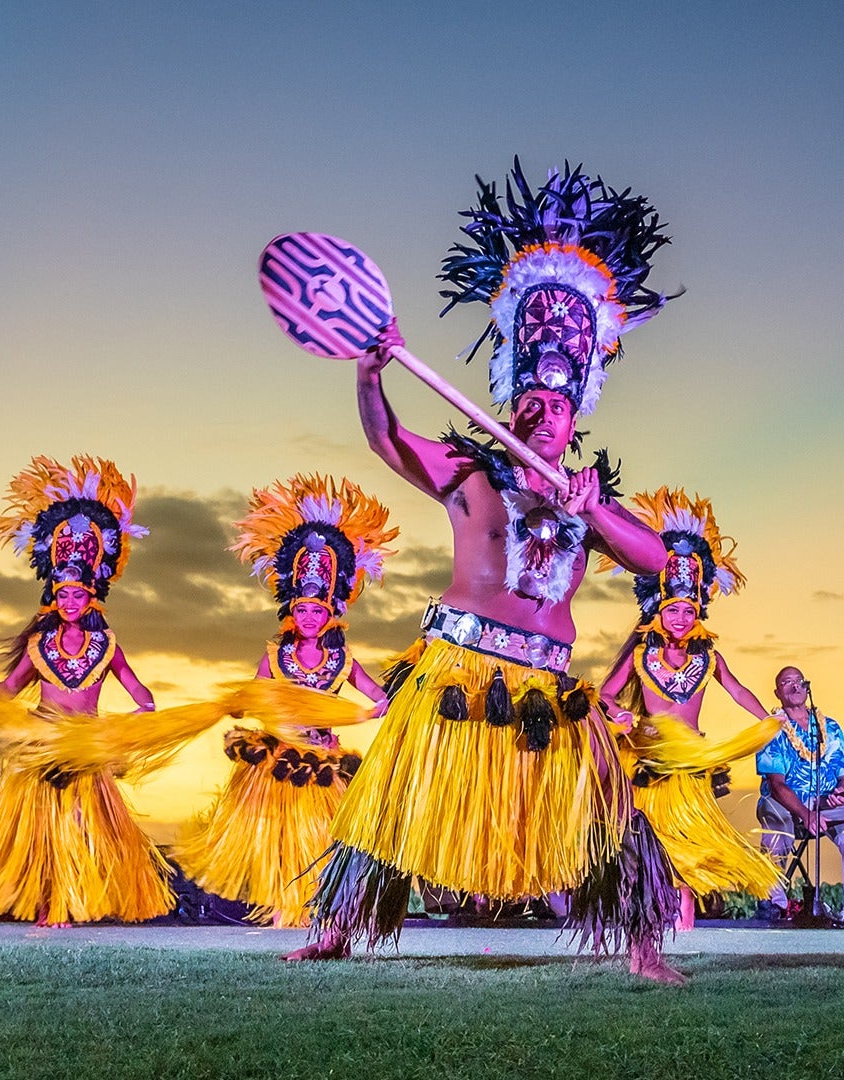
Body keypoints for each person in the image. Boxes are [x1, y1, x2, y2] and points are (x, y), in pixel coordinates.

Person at [292, 161, 686, 983]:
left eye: (558, 406)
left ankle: (643, 953)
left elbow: (659, 560)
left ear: (577, 416)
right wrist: (370, 376)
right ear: (510, 404)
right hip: (459, 666)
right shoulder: (472, 475)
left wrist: (592, 511)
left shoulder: (590, 501)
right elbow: (386, 442)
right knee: (392, 800)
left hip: (547, 682)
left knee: (606, 814)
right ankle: (335, 930)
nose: (541, 412)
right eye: (529, 403)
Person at [0, 455, 174, 927]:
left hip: (85, 748)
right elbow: (10, 690)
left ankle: (74, 902)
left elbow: (138, 691)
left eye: (79, 594)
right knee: (44, 832)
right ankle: (51, 908)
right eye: (64, 594)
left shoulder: (106, 646)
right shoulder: (39, 645)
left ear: (92, 596)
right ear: (55, 595)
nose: (71, 601)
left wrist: (142, 711)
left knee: (85, 828)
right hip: (44, 743)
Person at [176, 475, 395, 927]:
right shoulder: (276, 654)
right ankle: (283, 904)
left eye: (318, 610)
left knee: (323, 837)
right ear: (290, 612)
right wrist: (242, 704)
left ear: (332, 612)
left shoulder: (342, 658)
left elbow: (377, 695)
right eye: (301, 610)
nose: (310, 617)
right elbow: (258, 692)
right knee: (278, 836)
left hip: (324, 758)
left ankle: (319, 906)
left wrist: (378, 707)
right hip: (280, 760)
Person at [597, 489, 782, 929]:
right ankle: (635, 922)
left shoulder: (709, 658)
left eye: (687, 609)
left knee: (691, 846)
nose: (680, 617)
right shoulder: (641, 652)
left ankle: (685, 930)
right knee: (645, 842)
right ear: (657, 610)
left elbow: (737, 690)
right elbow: (605, 694)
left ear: (699, 611)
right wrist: (619, 716)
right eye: (672, 609)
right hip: (651, 760)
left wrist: (767, 718)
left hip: (691, 765)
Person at [755, 667, 844, 924]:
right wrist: (805, 814)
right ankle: (773, 904)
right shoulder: (771, 728)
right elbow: (776, 784)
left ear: (807, 688)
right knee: (777, 827)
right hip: (784, 801)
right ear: (778, 693)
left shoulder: (829, 727)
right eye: (787, 683)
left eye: (800, 682)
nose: (795, 687)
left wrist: (843, 793)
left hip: (825, 800)